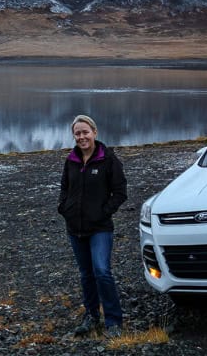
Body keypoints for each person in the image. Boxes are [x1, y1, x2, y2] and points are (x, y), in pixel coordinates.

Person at [57, 114, 128, 338]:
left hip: (100, 228)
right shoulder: (71, 160)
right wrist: (64, 208)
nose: (81, 137)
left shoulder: (108, 160)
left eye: (85, 132)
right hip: (75, 228)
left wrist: (102, 213)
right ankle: (91, 315)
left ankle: (114, 321)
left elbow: (120, 192)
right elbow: (64, 188)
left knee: (102, 271)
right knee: (86, 274)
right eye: (77, 133)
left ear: (95, 132)